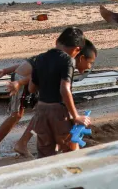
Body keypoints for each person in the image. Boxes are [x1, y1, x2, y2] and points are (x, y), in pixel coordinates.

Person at [0, 40, 97, 159]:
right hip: (23, 80)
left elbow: (31, 64)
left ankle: (22, 143)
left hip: (29, 79)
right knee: (16, 115)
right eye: (90, 63)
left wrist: (5, 70)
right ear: (80, 57)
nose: (90, 67)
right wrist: (18, 82)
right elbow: (36, 72)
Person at [28, 27, 91, 158]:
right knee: (69, 150)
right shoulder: (68, 60)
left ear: (57, 41)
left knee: (44, 153)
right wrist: (76, 116)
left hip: (41, 111)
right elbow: (64, 89)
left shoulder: (39, 59)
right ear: (77, 49)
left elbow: (31, 88)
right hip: (58, 112)